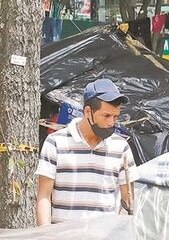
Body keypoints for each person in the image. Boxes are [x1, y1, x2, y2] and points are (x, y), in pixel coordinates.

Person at [36, 79, 134, 226]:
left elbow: (128, 199)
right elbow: (43, 196)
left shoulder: (121, 147)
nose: (111, 123)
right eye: (106, 116)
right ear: (88, 112)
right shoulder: (55, 142)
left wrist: (117, 233)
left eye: (115, 117)